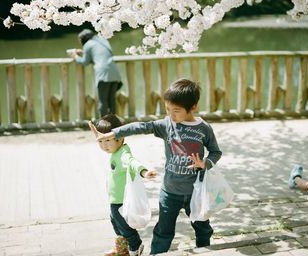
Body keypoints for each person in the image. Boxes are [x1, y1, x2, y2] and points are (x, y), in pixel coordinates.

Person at [90, 78, 223, 255]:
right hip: (170, 192)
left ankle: (205, 250)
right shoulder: (167, 125)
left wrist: (205, 163)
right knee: (163, 231)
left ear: (193, 108)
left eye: (176, 111)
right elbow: (143, 126)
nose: (171, 115)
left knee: (202, 227)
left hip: (195, 191)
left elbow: (216, 152)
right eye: (167, 109)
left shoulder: (204, 128)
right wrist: (114, 132)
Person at [89, 114, 156, 256]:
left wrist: (144, 172)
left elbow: (132, 162)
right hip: (115, 198)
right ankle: (121, 249)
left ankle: (135, 245)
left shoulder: (123, 154)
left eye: (108, 140)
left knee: (124, 226)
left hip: (122, 199)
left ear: (120, 138)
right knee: (115, 223)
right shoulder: (116, 152)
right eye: (101, 141)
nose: (104, 145)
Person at [69, 29, 122, 116]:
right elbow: (100, 54)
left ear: (83, 39)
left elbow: (85, 62)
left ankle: (104, 126)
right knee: (112, 100)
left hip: (103, 75)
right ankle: (114, 125)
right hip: (114, 73)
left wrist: (75, 56)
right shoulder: (103, 41)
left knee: (103, 102)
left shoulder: (87, 44)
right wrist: (84, 52)